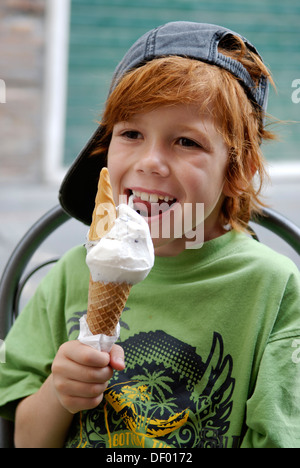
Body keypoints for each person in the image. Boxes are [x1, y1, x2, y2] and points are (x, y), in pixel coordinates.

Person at [0, 21, 300, 449]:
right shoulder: (71, 272)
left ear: (238, 172)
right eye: (131, 134)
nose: (151, 162)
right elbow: (26, 439)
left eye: (186, 141)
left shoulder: (275, 289)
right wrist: (60, 393)